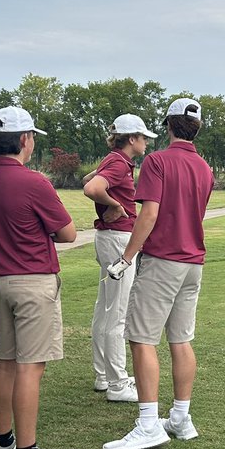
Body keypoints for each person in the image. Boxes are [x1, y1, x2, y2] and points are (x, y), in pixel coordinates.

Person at [101, 99, 214, 449]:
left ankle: (149, 424)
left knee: (141, 339)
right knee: (181, 340)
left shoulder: (157, 161)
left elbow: (149, 214)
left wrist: (126, 258)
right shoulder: (204, 168)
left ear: (168, 125)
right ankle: (180, 417)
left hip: (163, 260)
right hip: (193, 263)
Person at [0, 106, 79, 449]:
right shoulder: (34, 183)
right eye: (32, 136)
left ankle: (3, 443)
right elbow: (68, 233)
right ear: (23, 139)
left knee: (7, 361)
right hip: (32, 281)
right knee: (30, 367)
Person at [82, 114, 157, 402]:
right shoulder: (117, 162)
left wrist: (110, 200)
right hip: (117, 239)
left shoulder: (115, 161)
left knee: (105, 308)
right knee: (117, 313)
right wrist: (115, 205)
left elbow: (88, 179)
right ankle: (117, 384)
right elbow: (91, 188)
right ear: (132, 139)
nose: (146, 142)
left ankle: (103, 375)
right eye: (143, 137)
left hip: (109, 239)